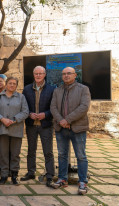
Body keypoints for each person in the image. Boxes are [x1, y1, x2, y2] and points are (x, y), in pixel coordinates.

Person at [50, 67, 91, 195]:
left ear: (75, 75)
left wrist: (67, 120)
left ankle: (83, 181)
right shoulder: (57, 90)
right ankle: (62, 179)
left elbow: (84, 107)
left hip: (77, 128)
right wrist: (61, 121)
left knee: (81, 156)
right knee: (62, 155)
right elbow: (53, 107)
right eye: (64, 74)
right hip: (60, 128)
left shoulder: (83, 89)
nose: (66, 76)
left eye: (69, 73)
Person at [0, 77, 29, 185]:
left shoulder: (21, 97)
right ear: (6, 84)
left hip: (16, 129)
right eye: (10, 83)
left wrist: (14, 120)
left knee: (15, 153)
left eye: (14, 84)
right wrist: (2, 119)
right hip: (2, 129)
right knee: (3, 153)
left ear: (16, 86)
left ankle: (14, 174)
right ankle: (4, 175)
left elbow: (25, 111)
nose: (12, 85)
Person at [22, 66, 55, 187]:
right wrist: (29, 114)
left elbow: (54, 108)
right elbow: (23, 106)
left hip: (45, 125)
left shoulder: (52, 89)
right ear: (33, 74)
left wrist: (45, 114)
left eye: (40, 73)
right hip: (31, 125)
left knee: (48, 151)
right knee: (31, 150)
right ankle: (31, 172)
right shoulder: (26, 89)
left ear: (45, 74)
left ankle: (50, 174)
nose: (38, 75)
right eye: (36, 73)